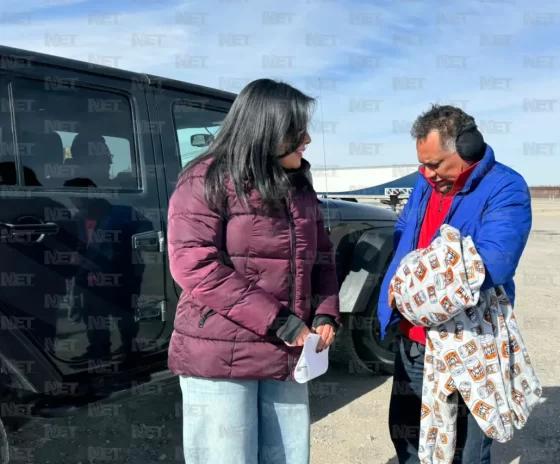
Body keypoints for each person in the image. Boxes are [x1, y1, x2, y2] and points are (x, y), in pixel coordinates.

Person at [166, 79, 341, 464]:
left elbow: (322, 257)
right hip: (220, 352)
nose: (307, 139)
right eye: (297, 131)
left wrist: (325, 313)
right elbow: (195, 264)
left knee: (288, 457)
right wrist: (280, 321)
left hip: (287, 349)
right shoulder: (205, 179)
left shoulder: (298, 186)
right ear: (266, 128)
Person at [377, 104, 532, 463]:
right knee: (407, 434)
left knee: (465, 449)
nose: (427, 173)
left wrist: (410, 288)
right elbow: (404, 229)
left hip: (467, 344)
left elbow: (494, 262)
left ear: (468, 148)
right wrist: (405, 279)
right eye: (422, 165)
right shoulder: (425, 183)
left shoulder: (506, 187)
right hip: (414, 339)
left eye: (435, 164)